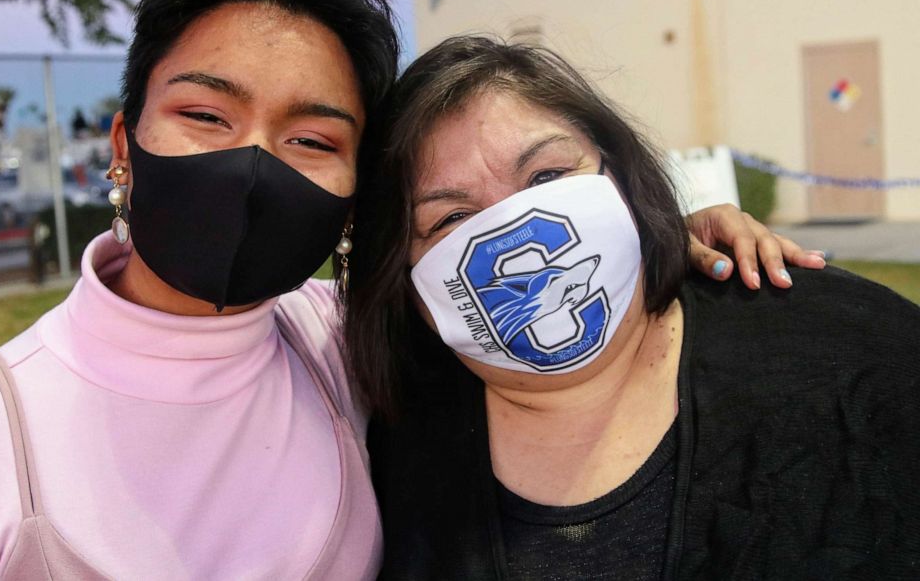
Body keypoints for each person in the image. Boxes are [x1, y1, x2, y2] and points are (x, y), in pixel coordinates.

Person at [0, 0, 819, 580]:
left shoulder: (343, 339)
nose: (253, 165)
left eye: (312, 137)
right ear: (125, 143)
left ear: (358, 188)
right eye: (206, 116)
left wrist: (669, 227)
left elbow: (547, 310)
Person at [349, 36, 920, 580]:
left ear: (618, 172)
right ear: (402, 275)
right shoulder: (387, 447)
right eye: (450, 218)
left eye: (547, 176)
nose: (516, 229)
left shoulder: (847, 348)